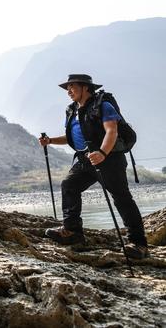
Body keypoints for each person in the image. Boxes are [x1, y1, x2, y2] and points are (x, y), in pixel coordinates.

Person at [39, 74, 149, 259]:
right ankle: (73, 232)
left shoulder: (103, 105)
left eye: (72, 87)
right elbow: (71, 137)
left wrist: (103, 153)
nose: (68, 91)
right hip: (86, 159)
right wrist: (50, 141)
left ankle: (139, 244)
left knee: (122, 198)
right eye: (67, 88)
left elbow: (111, 131)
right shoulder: (71, 110)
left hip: (109, 160)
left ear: (85, 88)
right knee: (69, 185)